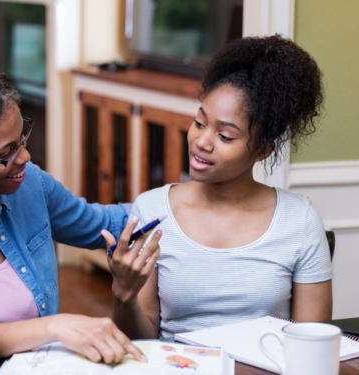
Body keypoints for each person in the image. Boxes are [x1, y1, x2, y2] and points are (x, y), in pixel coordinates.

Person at [102, 35, 332, 339]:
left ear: (263, 150)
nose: (202, 142)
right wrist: (124, 295)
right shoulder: (153, 209)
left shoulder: (300, 219)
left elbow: (312, 344)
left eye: (225, 136)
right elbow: (143, 342)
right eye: (199, 123)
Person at [0, 61, 161, 362]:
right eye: (7, 152)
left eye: (23, 139)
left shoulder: (31, 186)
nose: (25, 157)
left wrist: (185, 201)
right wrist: (53, 326)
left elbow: (108, 225)